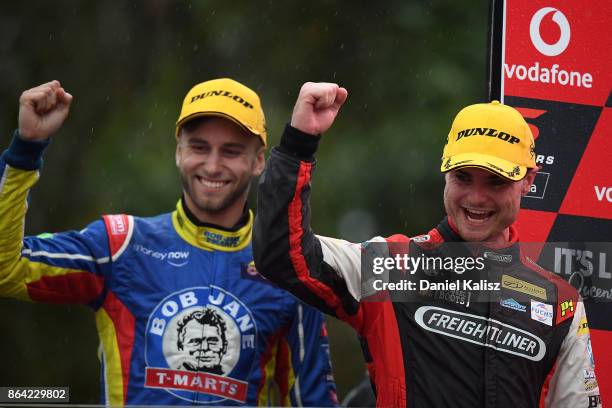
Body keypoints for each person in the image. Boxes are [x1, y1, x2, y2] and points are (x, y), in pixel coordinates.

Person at [253, 82, 601, 407]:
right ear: (445, 174)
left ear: (528, 180)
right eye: (463, 177)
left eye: (495, 181)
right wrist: (299, 143)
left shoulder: (561, 305)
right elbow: (281, 252)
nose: (476, 198)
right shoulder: (393, 266)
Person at [0, 79, 339, 406]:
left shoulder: (287, 270)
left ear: (258, 160)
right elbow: (7, 270)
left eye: (231, 151)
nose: (212, 165)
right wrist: (26, 150)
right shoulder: (121, 245)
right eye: (199, 147)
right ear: (178, 151)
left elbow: (313, 401)